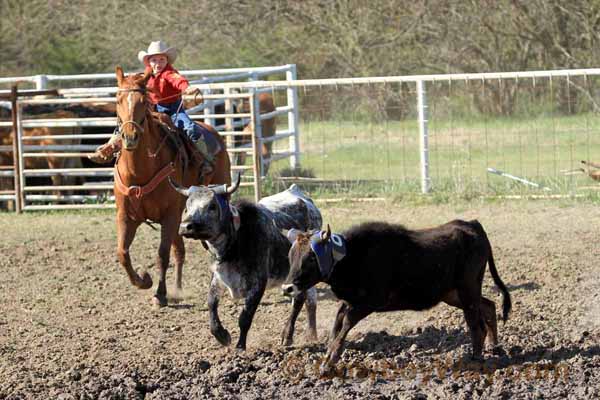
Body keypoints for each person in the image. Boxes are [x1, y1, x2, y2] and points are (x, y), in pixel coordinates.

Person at [89, 41, 214, 168]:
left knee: (190, 128)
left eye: (161, 59)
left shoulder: (169, 73)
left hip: (173, 110)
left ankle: (204, 159)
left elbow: (178, 81)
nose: (158, 63)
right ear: (149, 62)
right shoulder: (145, 75)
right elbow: (134, 84)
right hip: (153, 109)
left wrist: (187, 88)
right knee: (129, 124)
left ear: (167, 61)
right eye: (154, 60)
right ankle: (108, 149)